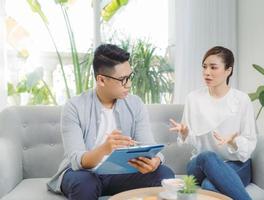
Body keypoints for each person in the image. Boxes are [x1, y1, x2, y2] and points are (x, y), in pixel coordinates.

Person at [47, 44, 174, 200]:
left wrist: (155, 160)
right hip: (84, 174)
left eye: (130, 77)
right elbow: (76, 160)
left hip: (120, 174)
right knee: (85, 184)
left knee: (165, 174)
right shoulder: (74, 107)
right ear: (101, 79)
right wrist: (105, 149)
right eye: (122, 79)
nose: (129, 84)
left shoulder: (135, 104)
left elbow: (149, 145)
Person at [169, 46, 256, 200]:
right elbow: (188, 143)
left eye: (213, 67)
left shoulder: (242, 100)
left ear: (228, 70)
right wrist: (185, 134)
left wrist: (234, 142)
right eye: (204, 67)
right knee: (207, 156)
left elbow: (249, 143)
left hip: (234, 164)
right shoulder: (193, 98)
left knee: (209, 186)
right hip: (199, 165)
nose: (207, 72)